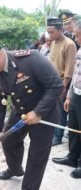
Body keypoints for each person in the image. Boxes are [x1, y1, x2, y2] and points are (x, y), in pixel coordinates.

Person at [0, 33, 63, 190]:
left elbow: (56, 86)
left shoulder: (32, 59)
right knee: (9, 141)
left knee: (37, 156)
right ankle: (15, 169)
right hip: (20, 112)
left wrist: (38, 112)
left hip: (45, 113)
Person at [52, 20, 81, 179]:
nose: (76, 39)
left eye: (78, 36)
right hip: (76, 95)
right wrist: (69, 96)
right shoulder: (80, 51)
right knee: (73, 128)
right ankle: (72, 157)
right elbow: (76, 76)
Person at [47, 18, 77, 146]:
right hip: (52, 82)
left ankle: (58, 137)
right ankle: (53, 133)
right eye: (48, 32)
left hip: (64, 82)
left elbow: (70, 68)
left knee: (61, 111)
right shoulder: (53, 43)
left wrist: (64, 87)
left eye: (52, 32)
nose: (50, 35)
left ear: (60, 30)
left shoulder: (69, 44)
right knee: (53, 109)